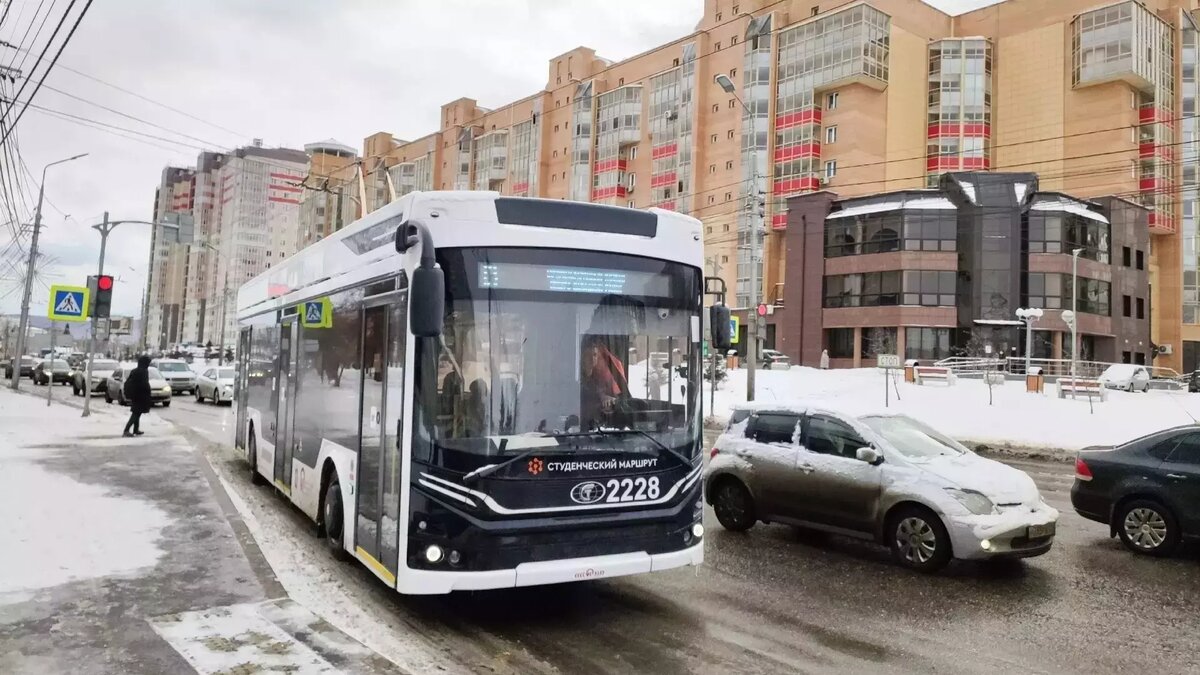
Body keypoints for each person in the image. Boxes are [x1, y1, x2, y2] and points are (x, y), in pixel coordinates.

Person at [580, 337, 628, 429]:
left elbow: (608, 398)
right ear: (582, 357)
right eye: (588, 355)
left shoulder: (598, 381)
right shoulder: (578, 381)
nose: (592, 359)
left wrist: (609, 402)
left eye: (594, 355)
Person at [122, 355, 153, 437]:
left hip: (135, 395)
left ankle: (136, 429)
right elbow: (144, 384)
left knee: (137, 413)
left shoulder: (135, 371)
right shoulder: (143, 372)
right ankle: (126, 430)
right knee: (136, 413)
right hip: (141, 395)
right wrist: (148, 393)